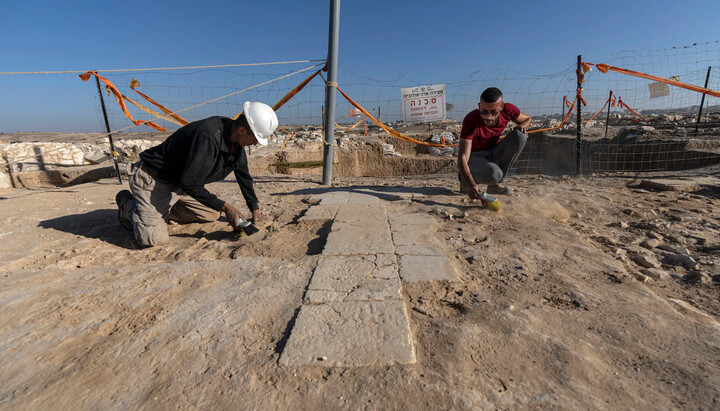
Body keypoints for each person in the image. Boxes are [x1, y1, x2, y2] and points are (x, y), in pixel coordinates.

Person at [115, 101, 278, 247]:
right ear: (242, 130)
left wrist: (254, 209)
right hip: (152, 179)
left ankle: (161, 211)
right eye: (256, 137)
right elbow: (191, 183)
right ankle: (128, 205)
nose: (256, 143)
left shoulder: (234, 142)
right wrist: (227, 207)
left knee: (211, 213)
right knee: (154, 239)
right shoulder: (208, 135)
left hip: (178, 184)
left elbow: (243, 175)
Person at [457, 87, 532, 199]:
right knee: (495, 174)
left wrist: (521, 127)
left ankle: (495, 185)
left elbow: (528, 119)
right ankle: (465, 182)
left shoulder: (508, 110)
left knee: (519, 136)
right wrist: (471, 185)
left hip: (493, 151)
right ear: (479, 106)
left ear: (501, 107)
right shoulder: (471, 120)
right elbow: (462, 158)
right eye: (484, 111)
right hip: (475, 157)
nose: (488, 117)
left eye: (494, 112)